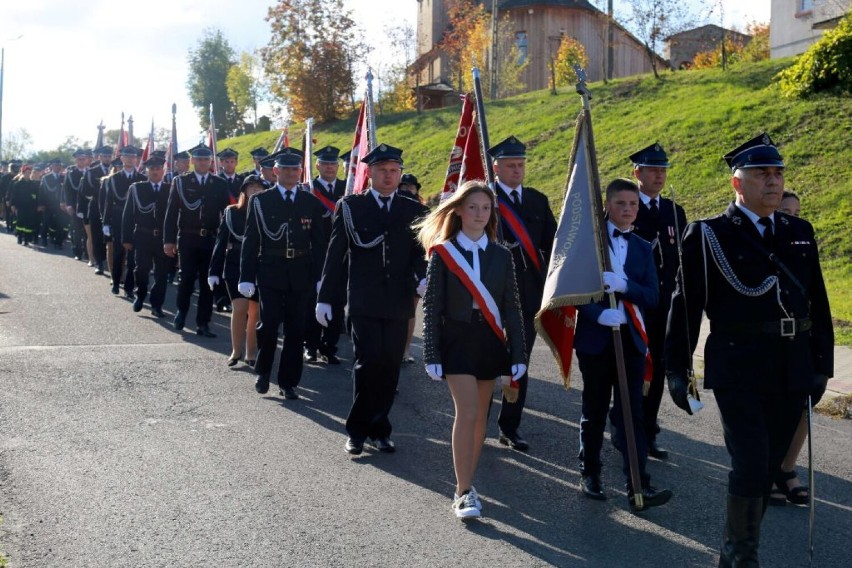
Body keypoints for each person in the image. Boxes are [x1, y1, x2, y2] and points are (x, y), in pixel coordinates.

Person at [665, 133, 834, 566]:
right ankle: (741, 556)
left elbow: (818, 301)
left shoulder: (799, 231)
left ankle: (735, 551)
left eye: (777, 174)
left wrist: (823, 366)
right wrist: (678, 369)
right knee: (752, 463)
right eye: (762, 174)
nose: (773, 182)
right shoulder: (708, 235)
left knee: (771, 463)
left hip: (792, 364)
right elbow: (687, 306)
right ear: (737, 184)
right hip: (738, 364)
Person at [419, 180, 526, 520]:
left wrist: (518, 355)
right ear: (459, 211)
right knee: (466, 412)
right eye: (473, 207)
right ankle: (463, 492)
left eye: (486, 208)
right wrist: (431, 353)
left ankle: (467, 483)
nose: (480, 214)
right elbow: (432, 305)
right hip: (457, 339)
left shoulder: (502, 255)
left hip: (490, 341)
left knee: (480, 417)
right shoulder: (443, 253)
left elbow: (512, 309)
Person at [316, 143, 428, 455]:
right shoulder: (352, 206)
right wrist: (325, 297)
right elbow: (336, 253)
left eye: (394, 171)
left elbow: (421, 252)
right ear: (370, 174)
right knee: (367, 363)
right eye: (382, 171)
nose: (389, 177)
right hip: (364, 300)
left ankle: (380, 429)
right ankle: (357, 430)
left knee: (390, 366)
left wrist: (424, 276)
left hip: (399, 301)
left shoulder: (413, 209)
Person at [575, 178, 672, 511]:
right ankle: (590, 472)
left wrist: (625, 285)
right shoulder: (590, 242)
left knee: (633, 413)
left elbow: (653, 297)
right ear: (608, 204)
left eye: (633, 204)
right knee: (595, 409)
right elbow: (572, 289)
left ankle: (638, 484)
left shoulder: (643, 247)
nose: (628, 210)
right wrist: (597, 314)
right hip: (596, 338)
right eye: (621, 204)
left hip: (630, 339)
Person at [238, 148, 328, 399]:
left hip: (301, 272)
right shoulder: (261, 201)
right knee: (268, 325)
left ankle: (288, 382)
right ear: (275, 171)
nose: (290, 173)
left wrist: (322, 277)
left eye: (295, 169)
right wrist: (246, 275)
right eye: (285, 169)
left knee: (296, 329)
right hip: (271, 270)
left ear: (300, 172)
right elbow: (251, 239)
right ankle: (263, 371)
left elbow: (320, 243)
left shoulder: (310, 202)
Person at [488, 135, 557, 451]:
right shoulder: (484, 201)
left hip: (527, 296)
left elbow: (553, 246)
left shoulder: (537, 201)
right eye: (510, 165)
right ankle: (477, 422)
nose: (517, 170)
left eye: (520, 165)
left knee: (519, 361)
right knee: (486, 362)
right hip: (489, 294)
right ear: (496, 167)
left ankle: (509, 426)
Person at [627, 143, 687, 460]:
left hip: (665, 305)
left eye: (662, 170)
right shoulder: (625, 206)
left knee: (659, 369)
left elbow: (680, 259)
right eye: (652, 169)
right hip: (633, 303)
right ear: (637, 172)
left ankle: (648, 431)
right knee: (634, 368)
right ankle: (628, 429)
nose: (659, 175)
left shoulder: (673, 211)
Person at [770, 189, 820, 506]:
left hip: (800, 337)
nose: (792, 218)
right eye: (785, 211)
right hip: (765, 339)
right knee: (771, 406)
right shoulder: (758, 243)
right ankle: (768, 469)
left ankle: (787, 468)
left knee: (805, 404)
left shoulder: (803, 242)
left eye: (797, 212)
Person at [163, 144, 230, 337]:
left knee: (208, 281)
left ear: (211, 162)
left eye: (206, 159)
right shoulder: (181, 182)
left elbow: (226, 214)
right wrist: (169, 240)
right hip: (187, 237)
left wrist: (227, 240)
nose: (202, 163)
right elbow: (171, 212)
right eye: (199, 159)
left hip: (210, 238)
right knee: (187, 278)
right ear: (192, 161)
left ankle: (203, 323)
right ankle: (182, 311)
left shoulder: (219, 183)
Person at [209, 175, 266, 367]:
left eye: (259, 187)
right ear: (244, 191)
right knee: (240, 308)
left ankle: (251, 352)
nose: (256, 190)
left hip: (258, 265)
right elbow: (221, 242)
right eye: (252, 187)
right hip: (234, 263)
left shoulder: (268, 212)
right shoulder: (232, 212)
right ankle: (236, 350)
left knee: (254, 312)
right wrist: (213, 271)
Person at [304, 145, 347, 365]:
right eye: (325, 163)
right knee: (313, 301)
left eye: (333, 163)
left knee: (338, 302)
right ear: (318, 165)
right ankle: (310, 346)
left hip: (340, 255)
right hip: (314, 253)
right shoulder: (308, 189)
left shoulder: (347, 187)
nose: (330, 167)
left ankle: (329, 347)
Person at [121, 155, 174, 318]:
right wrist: (126, 238)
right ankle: (141, 294)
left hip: (163, 239)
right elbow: (128, 214)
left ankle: (157, 305)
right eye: (152, 169)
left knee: (161, 274)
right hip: (143, 236)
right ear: (146, 171)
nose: (155, 172)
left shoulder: (170, 189)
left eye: (158, 169)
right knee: (141, 269)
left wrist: (173, 239)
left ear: (163, 170)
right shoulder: (137, 188)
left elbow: (174, 216)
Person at [103, 146, 146, 299]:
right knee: (119, 254)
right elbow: (108, 202)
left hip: (136, 220)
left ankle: (129, 287)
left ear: (136, 159)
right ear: (121, 159)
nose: (130, 159)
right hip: (118, 218)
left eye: (133, 157)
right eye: (126, 156)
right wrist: (106, 223)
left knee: (134, 256)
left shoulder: (142, 178)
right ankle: (115, 282)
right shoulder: (114, 178)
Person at [398, 172, 425, 364]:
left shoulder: (423, 211)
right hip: (396, 266)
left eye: (411, 187)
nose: (407, 190)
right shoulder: (394, 207)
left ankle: (405, 350)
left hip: (415, 267)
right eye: (404, 186)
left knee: (409, 311)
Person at [214, 147, 244, 313]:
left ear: (236, 162)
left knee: (234, 264)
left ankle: (235, 297)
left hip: (238, 227)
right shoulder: (216, 181)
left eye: (232, 161)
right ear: (221, 163)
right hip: (221, 225)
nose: (229, 164)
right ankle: (221, 298)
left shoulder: (242, 181)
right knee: (220, 263)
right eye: (226, 161)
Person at [80, 146, 113, 275]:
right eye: (104, 156)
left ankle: (112, 263)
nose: (107, 158)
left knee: (111, 238)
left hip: (111, 208)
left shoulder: (115, 170)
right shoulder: (91, 172)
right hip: (96, 207)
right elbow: (85, 191)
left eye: (109, 156)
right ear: (99, 157)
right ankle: (99, 263)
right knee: (97, 237)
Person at [64, 149, 93, 261]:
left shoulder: (91, 172)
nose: (81, 161)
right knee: (76, 230)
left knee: (88, 232)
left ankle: (88, 253)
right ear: (76, 160)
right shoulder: (71, 174)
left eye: (83, 159)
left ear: (87, 160)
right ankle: (77, 252)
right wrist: (69, 205)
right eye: (79, 159)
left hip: (88, 205)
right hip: (75, 206)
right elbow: (67, 190)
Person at [9, 164, 44, 246]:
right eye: (26, 173)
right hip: (21, 206)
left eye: (29, 173)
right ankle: (20, 237)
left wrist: (38, 205)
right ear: (23, 173)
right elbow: (14, 195)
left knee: (29, 223)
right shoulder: (17, 184)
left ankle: (27, 239)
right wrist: (13, 205)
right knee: (20, 222)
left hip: (31, 207)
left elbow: (37, 195)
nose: (27, 174)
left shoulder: (33, 185)